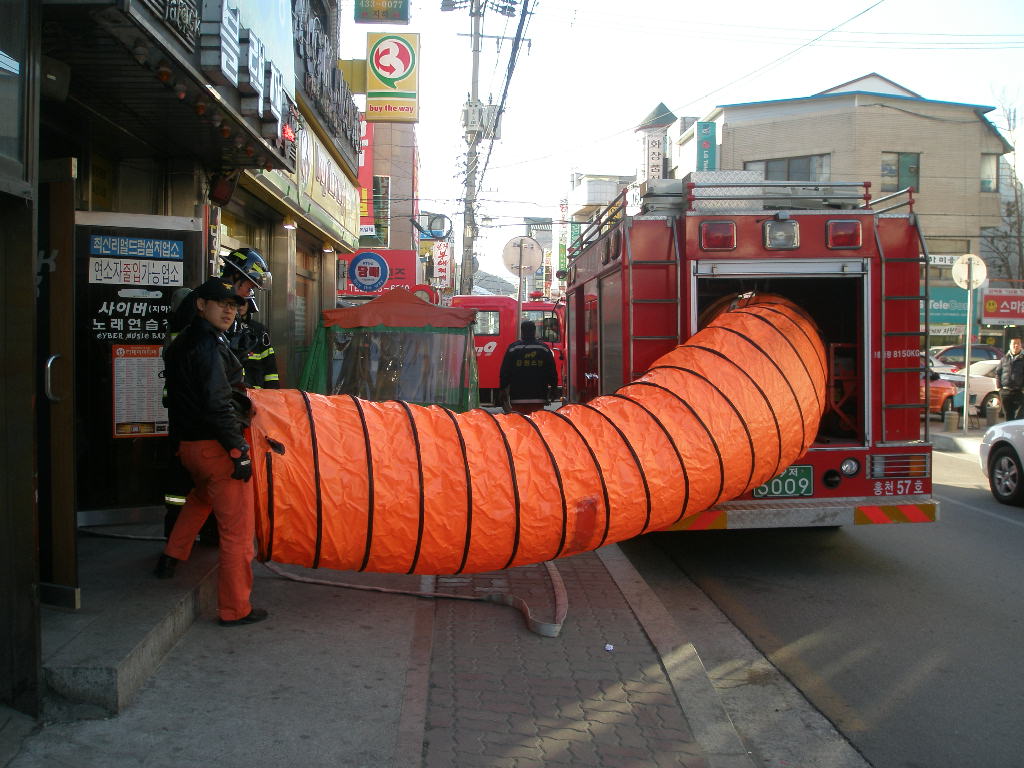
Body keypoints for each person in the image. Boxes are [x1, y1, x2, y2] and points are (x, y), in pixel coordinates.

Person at [154, 277, 268, 627]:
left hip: (189, 446)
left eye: (233, 306)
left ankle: (170, 557)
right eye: (222, 304)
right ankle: (235, 609)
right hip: (215, 448)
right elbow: (217, 403)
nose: (229, 311)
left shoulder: (185, 341)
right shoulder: (207, 346)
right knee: (237, 533)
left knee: (199, 500)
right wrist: (238, 449)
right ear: (201, 305)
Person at [162, 248, 272, 544]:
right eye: (248, 285)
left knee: (201, 487)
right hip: (195, 411)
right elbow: (202, 368)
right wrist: (237, 446)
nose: (249, 293)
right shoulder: (200, 308)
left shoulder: (221, 310)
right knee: (184, 485)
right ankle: (179, 538)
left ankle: (185, 545)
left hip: (203, 411)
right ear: (236, 276)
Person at [499, 319, 558, 415]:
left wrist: (503, 389)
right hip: (539, 397)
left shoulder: (513, 348)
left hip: (517, 397)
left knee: (520, 422)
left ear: (522, 332)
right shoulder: (543, 349)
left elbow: (505, 372)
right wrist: (554, 388)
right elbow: (551, 371)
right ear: (534, 332)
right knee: (535, 422)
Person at [229, 295, 280, 390]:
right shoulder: (226, 330)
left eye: (244, 302)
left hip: (257, 391)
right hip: (235, 390)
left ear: (250, 304)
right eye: (238, 303)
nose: (241, 306)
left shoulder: (259, 329)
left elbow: (270, 364)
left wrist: (272, 391)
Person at [997, 338, 1024, 421]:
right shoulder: (1004, 359)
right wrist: (999, 388)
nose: (1016, 345)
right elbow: (998, 373)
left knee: (1019, 416)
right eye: (1014, 343)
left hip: (1019, 392)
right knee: (1008, 416)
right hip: (1005, 392)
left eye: (1018, 343)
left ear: (1021, 345)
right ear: (1010, 345)